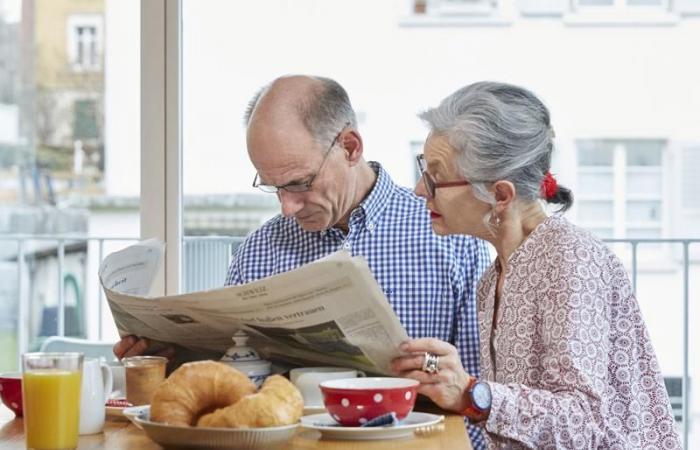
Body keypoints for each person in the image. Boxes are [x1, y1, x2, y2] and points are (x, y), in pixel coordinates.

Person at [114, 75, 491, 448]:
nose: (287, 206)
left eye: (299, 183)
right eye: (274, 186)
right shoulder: (260, 248)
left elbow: (478, 400)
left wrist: (447, 381)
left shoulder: (451, 237)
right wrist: (170, 361)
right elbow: (234, 392)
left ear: (350, 146)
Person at [390, 81, 681, 449]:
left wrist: (471, 393)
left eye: (435, 176)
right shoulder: (494, 276)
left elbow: (583, 423)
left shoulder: (570, 259)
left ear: (499, 195)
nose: (419, 190)